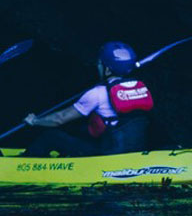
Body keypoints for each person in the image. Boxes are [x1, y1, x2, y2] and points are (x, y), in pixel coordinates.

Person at [23, 41, 153, 157]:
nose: (97, 66)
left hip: (108, 153)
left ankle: (23, 164)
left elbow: (60, 119)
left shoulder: (96, 93)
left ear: (107, 70)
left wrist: (35, 121)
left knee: (51, 137)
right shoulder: (140, 88)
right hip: (133, 149)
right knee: (83, 131)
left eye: (99, 63)